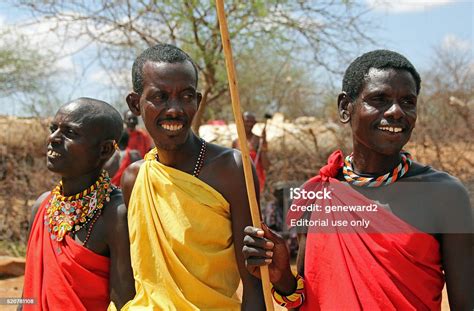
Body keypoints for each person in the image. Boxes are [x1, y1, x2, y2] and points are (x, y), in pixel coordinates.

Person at [243, 50, 473, 310]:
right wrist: (282, 276)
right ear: (345, 108)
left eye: (408, 101)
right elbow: (304, 299)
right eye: (380, 99)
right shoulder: (318, 192)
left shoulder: (444, 196)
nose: (397, 111)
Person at [121, 43, 264, 310]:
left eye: (185, 96)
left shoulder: (231, 169)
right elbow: (134, 277)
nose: (174, 109)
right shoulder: (134, 178)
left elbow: (254, 281)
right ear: (135, 104)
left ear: (197, 102)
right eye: (159, 97)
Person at [22, 98, 135, 310]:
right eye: (53, 128)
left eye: (70, 133)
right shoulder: (42, 206)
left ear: (104, 150)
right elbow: (28, 294)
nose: (53, 138)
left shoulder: (115, 214)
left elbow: (124, 303)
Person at [232, 112, 270, 192]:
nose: (249, 124)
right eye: (247, 121)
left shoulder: (259, 141)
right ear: (241, 122)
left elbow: (266, 166)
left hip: (255, 179)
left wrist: (263, 146)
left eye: (252, 122)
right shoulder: (235, 142)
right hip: (239, 179)